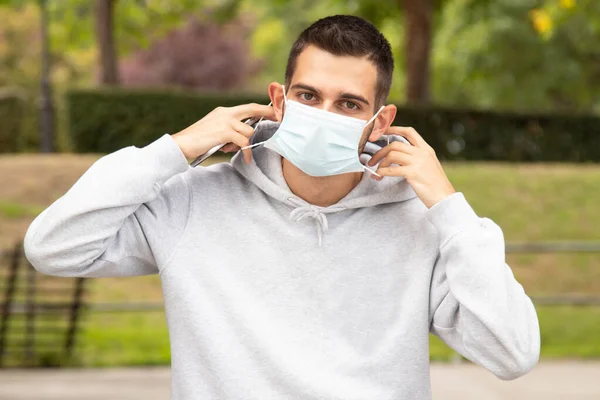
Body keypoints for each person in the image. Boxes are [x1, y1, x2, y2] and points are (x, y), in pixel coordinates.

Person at [24, 14, 540, 400]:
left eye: (349, 104)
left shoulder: (425, 228)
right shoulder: (194, 203)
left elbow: (513, 353)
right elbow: (53, 248)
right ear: (279, 99)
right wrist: (173, 149)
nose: (324, 114)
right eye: (308, 96)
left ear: (380, 122)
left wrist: (449, 208)